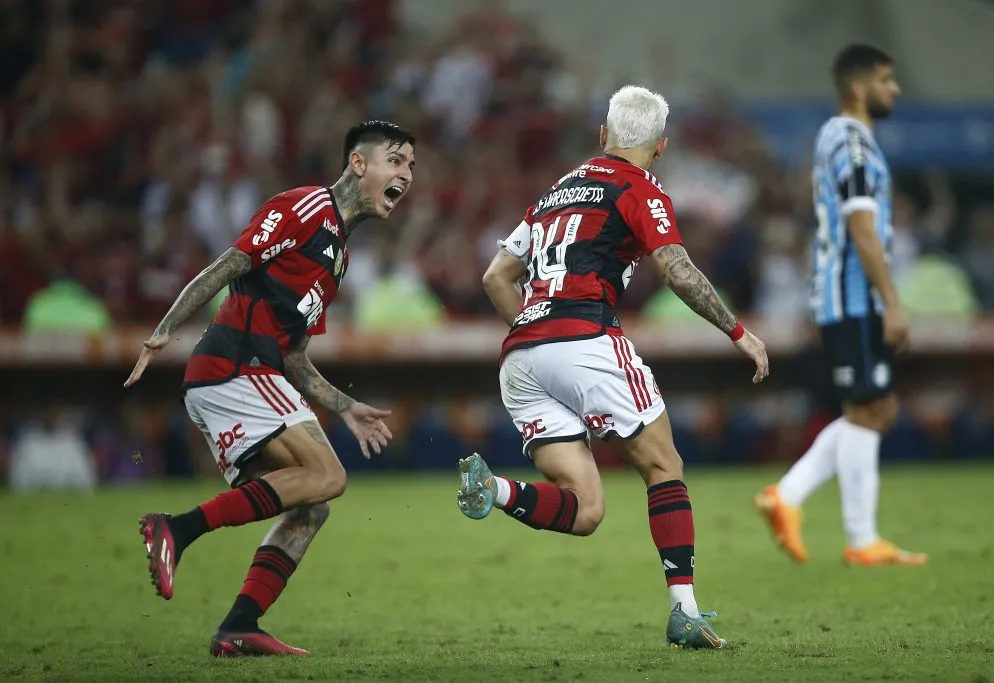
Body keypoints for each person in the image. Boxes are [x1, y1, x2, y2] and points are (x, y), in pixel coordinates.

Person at [456, 85, 769, 649]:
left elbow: (495, 276)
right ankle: (686, 612)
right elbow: (676, 270)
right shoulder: (639, 187)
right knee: (664, 466)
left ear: (603, 137)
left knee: (586, 510)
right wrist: (738, 331)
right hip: (586, 337)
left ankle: (495, 491)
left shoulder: (556, 191)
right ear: (661, 146)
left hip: (522, 356)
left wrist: (535, 336)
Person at [124, 121, 416, 656]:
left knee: (311, 504)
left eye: (412, 166)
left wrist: (345, 407)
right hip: (235, 368)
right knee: (328, 476)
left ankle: (239, 625)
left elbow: (295, 356)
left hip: (250, 374)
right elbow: (227, 265)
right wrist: (165, 329)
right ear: (358, 164)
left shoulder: (340, 258)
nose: (407, 174)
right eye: (396, 161)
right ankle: (177, 530)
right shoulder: (305, 208)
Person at [755, 45, 927, 567]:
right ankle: (840, 525)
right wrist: (891, 302)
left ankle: (826, 518)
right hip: (850, 296)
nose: (894, 89)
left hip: (850, 295)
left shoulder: (847, 139)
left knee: (876, 408)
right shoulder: (851, 143)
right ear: (859, 86)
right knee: (867, 408)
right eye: (887, 80)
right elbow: (861, 226)